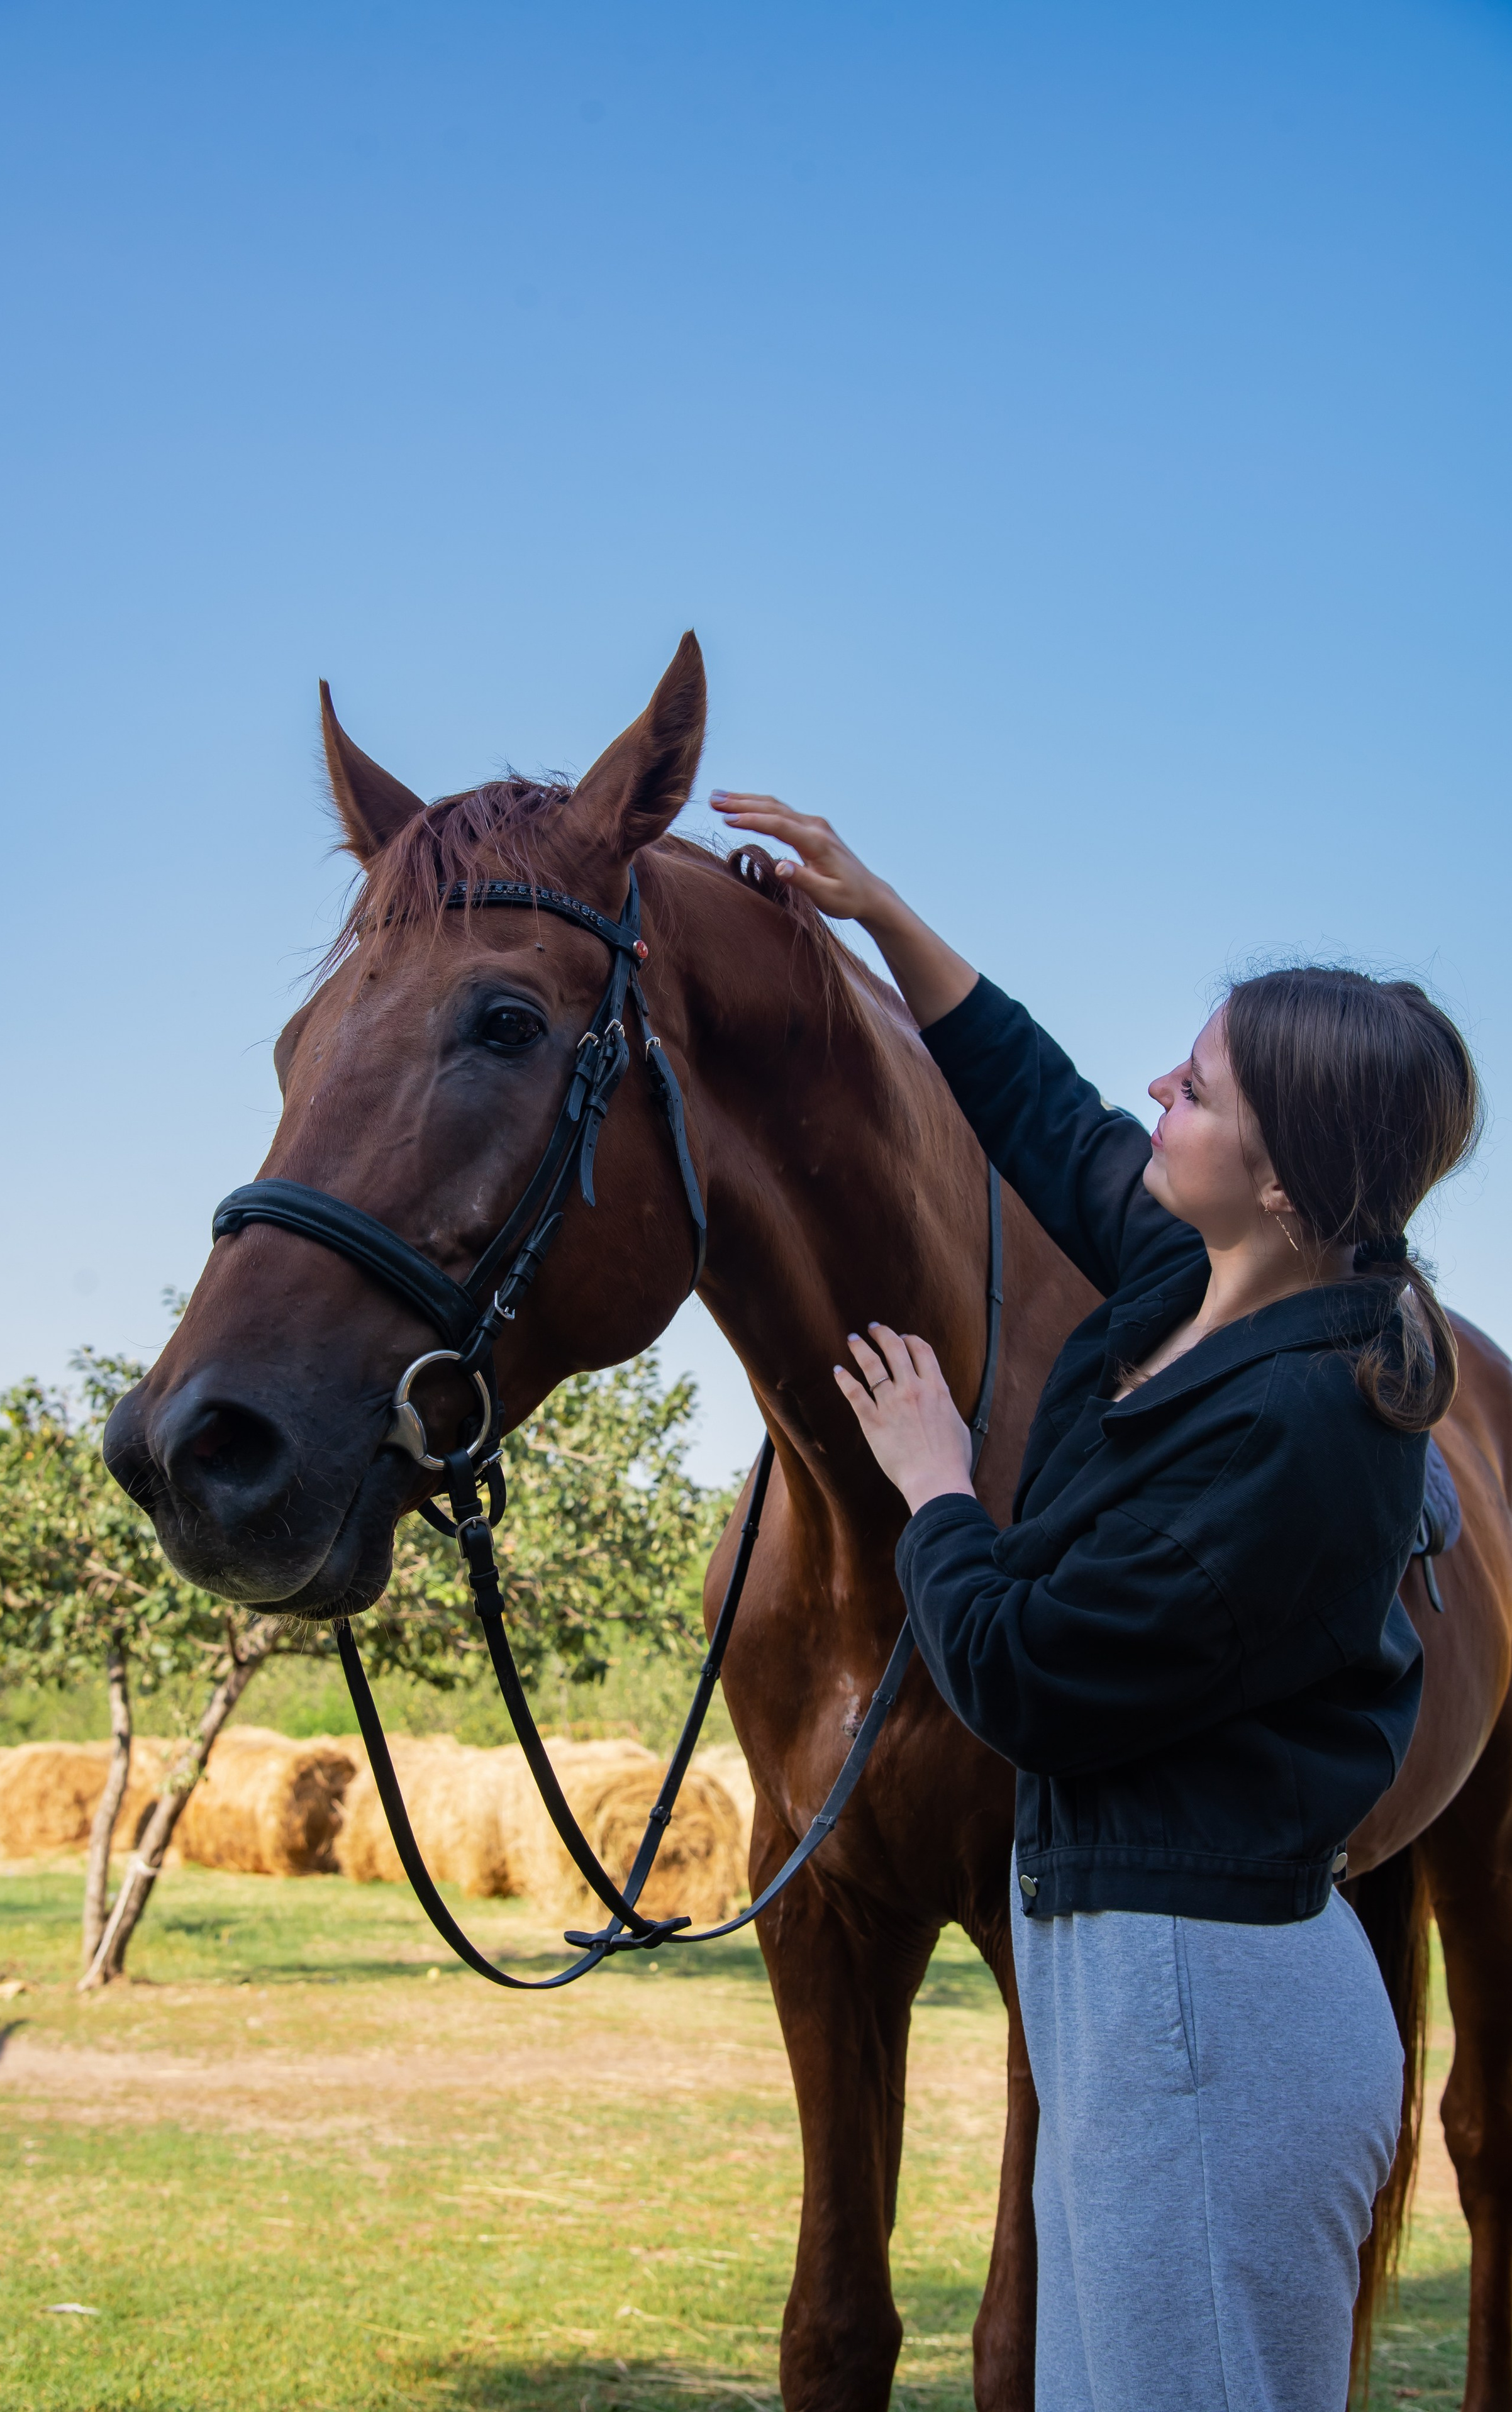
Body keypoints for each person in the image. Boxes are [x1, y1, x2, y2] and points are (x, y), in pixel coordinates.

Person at [710, 789, 1481, 2412]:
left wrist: (933, 1482)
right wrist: (877, 907)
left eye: (1196, 1089)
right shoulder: (1197, 1286)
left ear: (1281, 1180)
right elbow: (1046, 1111)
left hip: (1211, 2027)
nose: (1156, 1094)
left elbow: (1029, 1676)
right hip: (1139, 2006)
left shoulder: (1302, 1431)